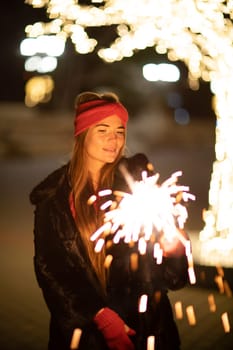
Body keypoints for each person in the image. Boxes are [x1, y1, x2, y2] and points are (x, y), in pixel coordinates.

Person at [30, 91, 190, 350]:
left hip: (147, 331)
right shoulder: (54, 199)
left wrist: (174, 250)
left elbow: (173, 277)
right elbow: (52, 270)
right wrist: (101, 317)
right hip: (86, 337)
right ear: (82, 135)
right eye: (102, 130)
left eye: (120, 131)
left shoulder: (138, 182)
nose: (114, 140)